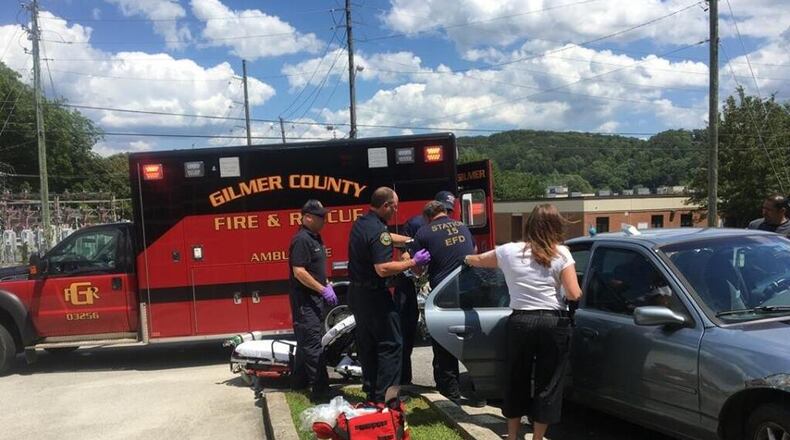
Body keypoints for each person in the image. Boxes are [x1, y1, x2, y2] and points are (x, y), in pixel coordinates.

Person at [464, 204, 582, 440]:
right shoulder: (562, 254)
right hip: (553, 322)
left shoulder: (508, 251)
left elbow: (477, 260)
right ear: (556, 226)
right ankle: (537, 438)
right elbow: (573, 294)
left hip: (520, 321)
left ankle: (512, 434)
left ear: (529, 226)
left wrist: (465, 257)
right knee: (548, 383)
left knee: (516, 378)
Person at [348, 187, 431, 403]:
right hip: (375, 296)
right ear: (386, 206)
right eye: (394, 207)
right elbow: (382, 268)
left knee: (368, 344)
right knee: (392, 345)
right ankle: (388, 398)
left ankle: (372, 392)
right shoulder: (379, 232)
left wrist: (408, 241)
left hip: (358, 294)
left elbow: (384, 237)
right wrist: (413, 261)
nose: (396, 211)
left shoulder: (362, 223)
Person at [414, 200, 475, 404]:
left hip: (444, 293)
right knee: (470, 341)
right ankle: (479, 390)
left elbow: (417, 268)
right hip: (469, 289)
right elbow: (472, 253)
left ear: (427, 217)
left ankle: (450, 392)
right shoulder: (462, 226)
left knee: (443, 343)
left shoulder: (423, 232)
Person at [395, 190, 456, 385]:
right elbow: (404, 254)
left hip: (436, 286)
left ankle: (444, 382)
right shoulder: (415, 224)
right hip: (410, 283)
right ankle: (404, 380)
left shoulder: (453, 226)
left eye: (450, 210)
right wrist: (414, 263)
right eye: (445, 208)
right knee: (406, 331)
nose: (447, 213)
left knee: (442, 335)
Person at [288, 199, 337, 402]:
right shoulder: (302, 240)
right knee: (313, 346)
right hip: (305, 302)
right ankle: (321, 393)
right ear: (307, 217)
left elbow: (314, 269)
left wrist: (326, 283)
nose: (324, 220)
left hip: (315, 300)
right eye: (320, 217)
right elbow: (299, 271)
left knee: (305, 343)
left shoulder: (316, 238)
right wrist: (322, 289)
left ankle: (298, 383)